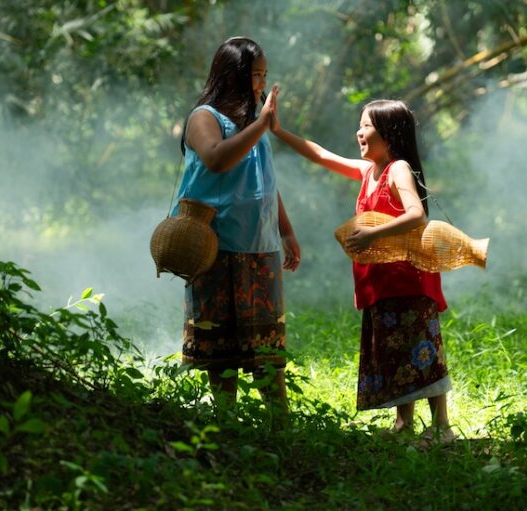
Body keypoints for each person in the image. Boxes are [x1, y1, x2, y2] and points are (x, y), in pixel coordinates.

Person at [270, 97, 455, 445]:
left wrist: (372, 233)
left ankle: (442, 427)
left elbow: (417, 214)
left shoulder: (398, 169)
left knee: (422, 348)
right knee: (395, 349)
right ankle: (404, 423)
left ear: (389, 133)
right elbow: (320, 155)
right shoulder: (368, 171)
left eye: (367, 125)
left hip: (408, 278)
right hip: (381, 282)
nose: (359, 132)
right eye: (360, 124)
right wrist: (278, 131)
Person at [174, 37, 300, 421]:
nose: (261, 84)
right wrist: (261, 124)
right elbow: (215, 159)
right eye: (254, 75)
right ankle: (226, 420)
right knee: (220, 343)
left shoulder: (253, 124)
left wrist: (286, 230)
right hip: (217, 245)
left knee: (266, 342)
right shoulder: (204, 117)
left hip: (260, 245)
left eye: (264, 75)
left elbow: (266, 181)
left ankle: (280, 422)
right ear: (232, 76)